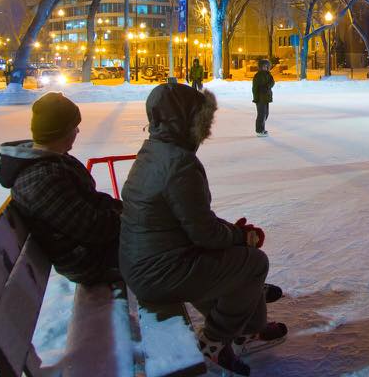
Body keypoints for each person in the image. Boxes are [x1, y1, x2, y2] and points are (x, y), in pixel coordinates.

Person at [119, 83, 286, 376]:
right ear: (186, 120)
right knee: (254, 263)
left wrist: (233, 234)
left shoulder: (155, 150)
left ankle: (248, 328)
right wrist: (240, 236)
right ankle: (215, 340)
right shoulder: (179, 164)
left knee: (234, 256)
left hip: (144, 263)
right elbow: (204, 234)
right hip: (158, 272)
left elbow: (193, 221)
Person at [0, 92, 122, 285]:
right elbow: (93, 227)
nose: (78, 131)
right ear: (61, 131)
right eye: (74, 126)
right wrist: (134, 220)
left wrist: (131, 211)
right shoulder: (43, 179)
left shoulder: (52, 162)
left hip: (94, 250)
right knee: (170, 244)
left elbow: (93, 202)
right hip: (89, 261)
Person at [252, 59, 274, 136]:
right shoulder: (257, 75)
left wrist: (268, 86)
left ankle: (262, 129)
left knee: (266, 114)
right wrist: (256, 98)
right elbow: (254, 88)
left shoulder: (268, 74)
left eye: (266, 66)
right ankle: (259, 130)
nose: (265, 67)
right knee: (261, 114)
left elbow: (272, 82)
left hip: (267, 97)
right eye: (263, 66)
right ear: (260, 67)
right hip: (260, 98)